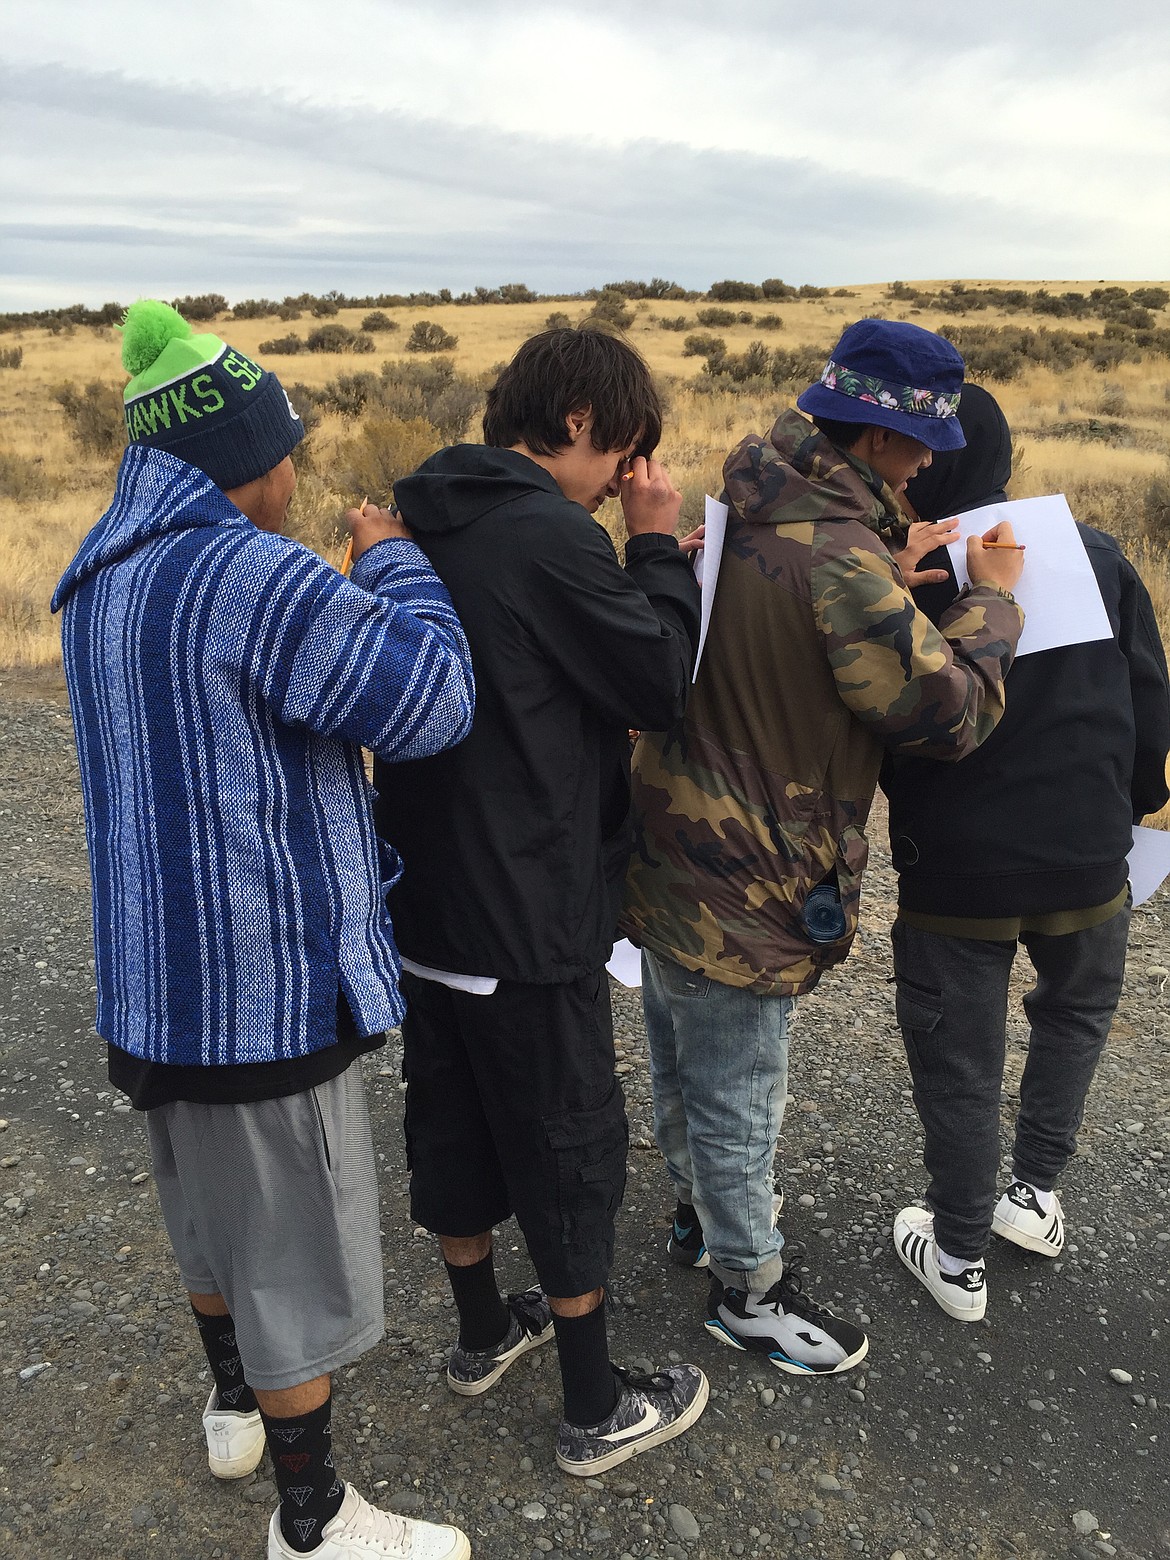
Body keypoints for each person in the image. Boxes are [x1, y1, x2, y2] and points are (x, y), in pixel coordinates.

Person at [52, 301, 476, 1560]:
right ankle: (314, 1519)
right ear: (243, 457)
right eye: (284, 443)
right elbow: (431, 700)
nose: (295, 466)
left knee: (207, 1222)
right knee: (290, 1250)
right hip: (258, 983)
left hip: (151, 978)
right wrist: (393, 561)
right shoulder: (250, 574)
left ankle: (233, 1407)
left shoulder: (100, 570)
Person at [622, 319, 1026, 1374]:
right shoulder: (842, 553)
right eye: (921, 441)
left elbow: (789, 614)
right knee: (738, 1086)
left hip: (671, 845)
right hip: (751, 869)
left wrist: (887, 569)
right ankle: (748, 1288)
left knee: (682, 1055)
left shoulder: (760, 497)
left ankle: (698, 1217)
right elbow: (947, 717)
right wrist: (994, 604)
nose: (932, 460)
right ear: (885, 439)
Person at [372, 327, 708, 1475]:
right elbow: (657, 680)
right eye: (624, 452)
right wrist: (655, 546)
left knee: (451, 1120)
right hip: (528, 907)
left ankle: (481, 1336)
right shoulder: (550, 535)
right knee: (567, 1145)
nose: (628, 476)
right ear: (575, 424)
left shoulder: (425, 517)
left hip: (423, 902)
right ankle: (592, 1407)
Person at [883, 384, 1170, 1320]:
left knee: (959, 1055)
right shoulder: (1097, 557)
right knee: (1074, 1019)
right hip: (1090, 853)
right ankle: (1035, 1195)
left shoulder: (909, 574)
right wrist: (1127, 810)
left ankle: (958, 1251)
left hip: (958, 860)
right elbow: (1148, 701)